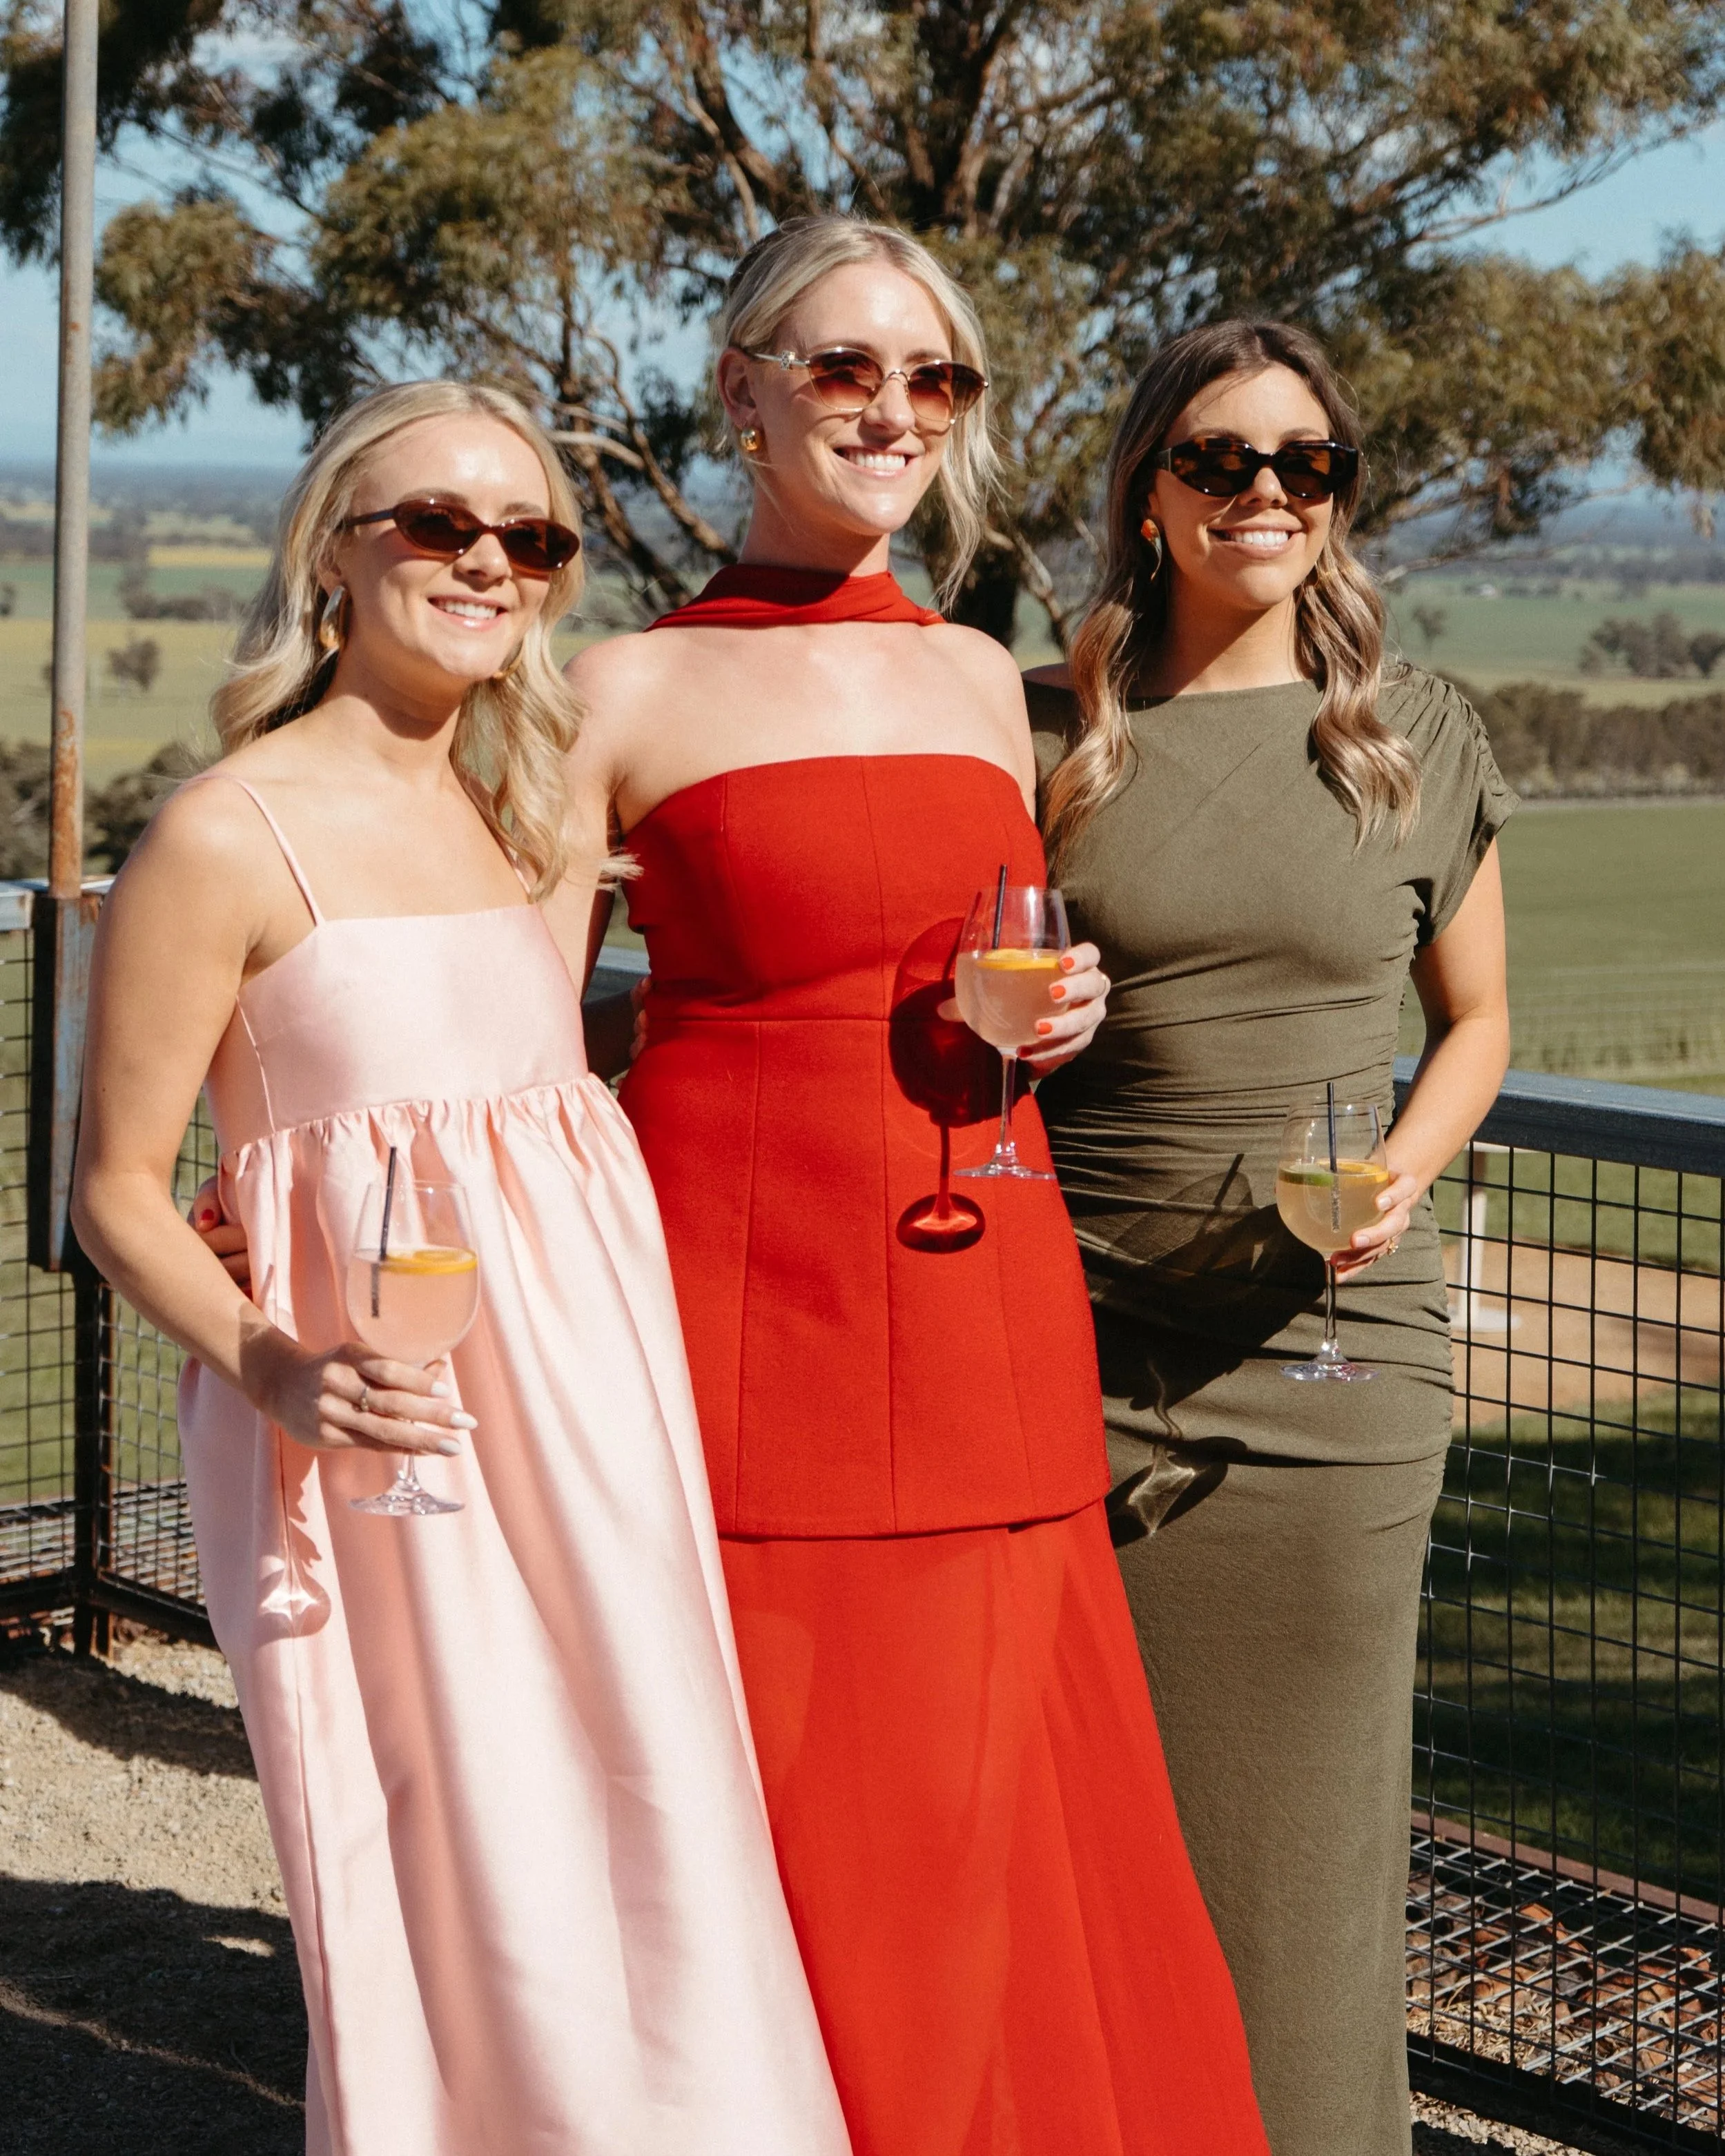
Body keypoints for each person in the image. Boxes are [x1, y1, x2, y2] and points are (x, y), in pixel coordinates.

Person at [72, 380, 850, 2156]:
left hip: (595, 1401)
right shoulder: (223, 834)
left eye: (529, 536)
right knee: (468, 1836)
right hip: (379, 1423)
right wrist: (276, 1364)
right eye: (436, 521)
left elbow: (540, 1093)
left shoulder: (531, 819)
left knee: (655, 1795)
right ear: (332, 554)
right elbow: (116, 1189)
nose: (486, 559)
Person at [561, 217, 1270, 2156]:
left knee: (981, 1793)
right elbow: (523, 1035)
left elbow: (987, 949)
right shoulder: (615, 689)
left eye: (934, 376)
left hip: (979, 1278)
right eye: (844, 366)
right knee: (787, 1786)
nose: (893, 409)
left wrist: (1060, 1013)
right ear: (742, 388)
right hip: (737, 1300)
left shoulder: (975, 676)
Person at [1025, 320, 1514, 2156]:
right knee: (1078, 1839)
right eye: (1219, 458)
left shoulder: (1411, 732)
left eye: (1306, 463)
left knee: (1303, 1860)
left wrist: (1399, 1168)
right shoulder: (1046, 730)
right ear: (1146, 490)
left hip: (1331, 1364)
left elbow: (1478, 1020)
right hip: (1065, 1358)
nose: (1265, 492)